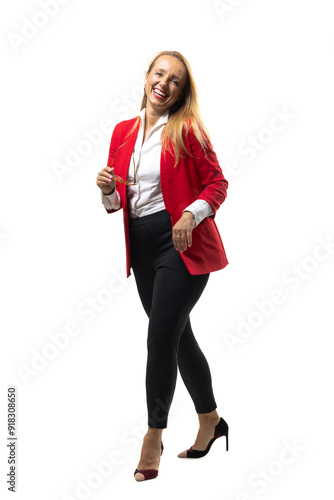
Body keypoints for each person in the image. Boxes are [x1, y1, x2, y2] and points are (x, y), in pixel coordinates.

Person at [96, 50, 229, 482]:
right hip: (143, 247)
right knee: (177, 338)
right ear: (147, 77)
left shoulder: (186, 130)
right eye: (160, 74)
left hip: (182, 243)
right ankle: (211, 420)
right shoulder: (121, 131)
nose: (164, 84)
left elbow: (217, 183)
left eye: (175, 80)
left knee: (160, 336)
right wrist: (105, 191)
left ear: (181, 92)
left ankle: (154, 433)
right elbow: (119, 204)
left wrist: (191, 214)